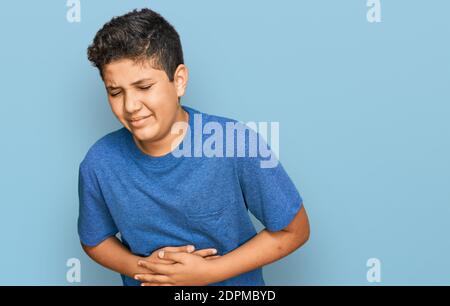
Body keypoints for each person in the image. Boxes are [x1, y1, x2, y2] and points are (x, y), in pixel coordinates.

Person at [78, 8, 310, 286]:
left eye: (144, 87)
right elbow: (94, 239)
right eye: (115, 92)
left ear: (179, 81)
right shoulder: (99, 163)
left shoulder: (234, 144)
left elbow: (294, 230)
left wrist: (212, 272)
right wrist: (143, 268)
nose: (130, 106)